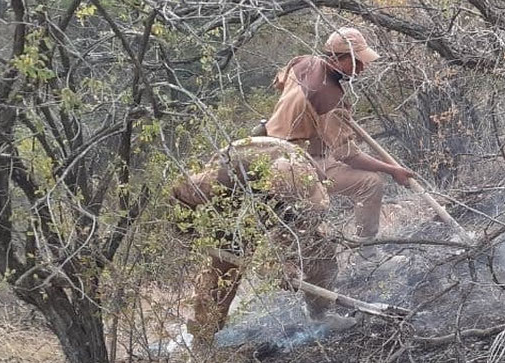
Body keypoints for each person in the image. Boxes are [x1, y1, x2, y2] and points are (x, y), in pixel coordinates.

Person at [171, 137, 338, 344]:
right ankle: (202, 338)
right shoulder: (218, 179)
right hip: (235, 207)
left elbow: (300, 223)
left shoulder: (306, 176)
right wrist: (187, 233)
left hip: (274, 199)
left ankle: (319, 315)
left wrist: (288, 260)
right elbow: (177, 193)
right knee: (223, 277)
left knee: (322, 252)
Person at [263, 27, 415, 238]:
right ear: (337, 59)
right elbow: (348, 155)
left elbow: (279, 82)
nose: (362, 67)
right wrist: (392, 170)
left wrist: (308, 115)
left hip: (268, 147)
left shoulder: (303, 62)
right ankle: (367, 248)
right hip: (295, 161)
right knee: (371, 183)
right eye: (356, 62)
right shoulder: (330, 98)